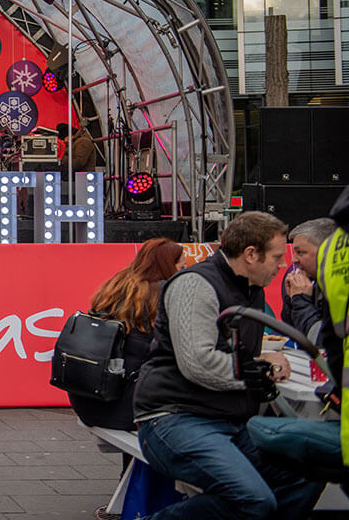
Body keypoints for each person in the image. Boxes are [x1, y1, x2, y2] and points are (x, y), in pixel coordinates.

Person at [133, 211, 323, 520]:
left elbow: (230, 350)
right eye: (276, 257)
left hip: (228, 420)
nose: (283, 265)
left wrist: (262, 359)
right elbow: (198, 362)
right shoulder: (195, 284)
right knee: (252, 499)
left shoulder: (250, 288)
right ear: (251, 254)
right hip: (176, 417)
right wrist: (253, 371)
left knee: (310, 468)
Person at [70, 238, 184, 435]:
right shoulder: (163, 293)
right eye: (181, 266)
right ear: (168, 266)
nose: (184, 272)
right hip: (129, 408)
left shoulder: (117, 286)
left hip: (89, 401)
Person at [280, 217, 336, 338]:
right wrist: (291, 301)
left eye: (300, 252)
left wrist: (301, 301)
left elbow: (319, 340)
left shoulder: (340, 288)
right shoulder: (317, 284)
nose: (293, 260)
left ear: (326, 251)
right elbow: (294, 332)